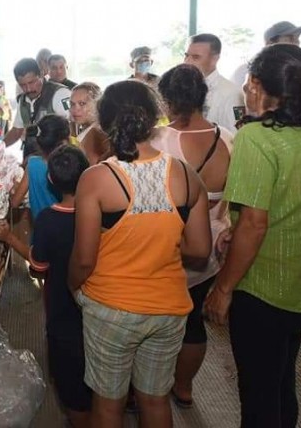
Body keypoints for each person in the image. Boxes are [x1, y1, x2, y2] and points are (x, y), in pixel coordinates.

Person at [204, 44, 301, 428]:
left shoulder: (257, 137)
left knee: (259, 395)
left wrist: (223, 288)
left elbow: (254, 224)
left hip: (263, 288)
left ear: (257, 85)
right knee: (281, 381)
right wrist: (239, 230)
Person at [69, 79, 211, 428]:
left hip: (111, 308)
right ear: (154, 118)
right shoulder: (186, 175)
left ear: (104, 122)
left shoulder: (97, 179)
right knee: (155, 399)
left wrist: (72, 287)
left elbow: (84, 259)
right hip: (169, 307)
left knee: (108, 403)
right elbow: (200, 249)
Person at [0, 144, 92, 428]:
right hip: (97, 304)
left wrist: (9, 237)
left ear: (49, 180)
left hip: (62, 307)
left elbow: (38, 266)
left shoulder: (49, 219)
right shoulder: (98, 213)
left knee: (69, 376)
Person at [152, 63, 234, 409]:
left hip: (172, 243)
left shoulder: (161, 139)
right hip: (214, 243)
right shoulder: (229, 137)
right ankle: (183, 387)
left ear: (167, 100)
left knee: (157, 320)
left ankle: (149, 386)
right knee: (192, 324)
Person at [3, 57, 72, 156]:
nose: (28, 89)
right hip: (31, 155)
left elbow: (71, 128)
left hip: (56, 157)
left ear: (41, 74)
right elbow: (16, 131)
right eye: (22, 85)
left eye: (31, 82)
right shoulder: (23, 100)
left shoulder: (60, 94)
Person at [10, 114, 70, 225]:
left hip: (40, 229)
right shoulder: (67, 166)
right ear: (64, 142)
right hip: (64, 229)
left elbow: (14, 203)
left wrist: (13, 188)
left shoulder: (32, 165)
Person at [184, 33, 244, 133]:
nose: (187, 62)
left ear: (214, 59)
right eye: (186, 56)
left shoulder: (231, 93)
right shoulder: (184, 88)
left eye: (196, 57)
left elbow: (237, 136)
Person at [229, 20, 301, 88]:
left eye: (297, 38)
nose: (297, 42)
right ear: (270, 43)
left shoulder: (298, 73)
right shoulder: (244, 72)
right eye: (290, 38)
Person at [68, 81, 109, 165]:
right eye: (72, 104)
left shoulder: (98, 134)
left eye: (82, 103)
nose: (75, 109)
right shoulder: (78, 128)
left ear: (97, 104)